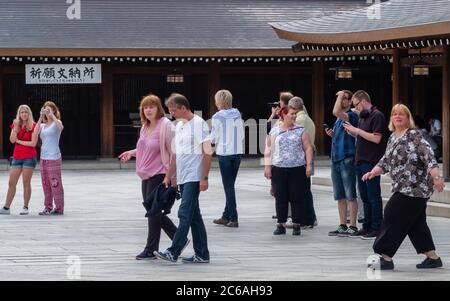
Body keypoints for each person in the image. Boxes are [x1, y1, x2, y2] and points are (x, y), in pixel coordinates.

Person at [363, 104, 444, 270]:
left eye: (401, 114)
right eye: (394, 114)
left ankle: (385, 256)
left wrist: (436, 177)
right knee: (416, 224)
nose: (398, 117)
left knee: (392, 214)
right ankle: (433, 257)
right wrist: (373, 172)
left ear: (408, 118)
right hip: (401, 186)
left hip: (416, 188)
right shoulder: (393, 137)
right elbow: (386, 160)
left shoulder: (414, 135)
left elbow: (429, 156)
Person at [119, 94, 188, 260]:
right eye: (145, 107)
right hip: (146, 174)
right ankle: (179, 238)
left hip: (160, 174)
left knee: (153, 212)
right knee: (153, 211)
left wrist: (170, 176)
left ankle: (150, 249)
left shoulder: (165, 126)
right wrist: (131, 152)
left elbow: (173, 153)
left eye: (152, 106)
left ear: (158, 108)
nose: (148, 110)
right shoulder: (145, 126)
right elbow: (146, 148)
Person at [154, 93, 212, 263]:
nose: (171, 113)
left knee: (184, 213)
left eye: (173, 110)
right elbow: (175, 154)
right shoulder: (179, 125)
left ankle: (174, 250)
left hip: (194, 175)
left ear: (183, 108)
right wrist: (170, 175)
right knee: (194, 216)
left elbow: (207, 152)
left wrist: (204, 177)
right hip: (183, 176)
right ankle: (202, 254)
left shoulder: (199, 124)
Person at [264, 104, 314, 236]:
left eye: (294, 114)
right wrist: (267, 166)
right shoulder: (275, 131)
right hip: (279, 168)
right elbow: (268, 149)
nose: (294, 116)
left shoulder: (300, 130)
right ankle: (280, 224)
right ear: (283, 115)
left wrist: (309, 165)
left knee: (296, 195)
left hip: (297, 168)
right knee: (280, 196)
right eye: (291, 114)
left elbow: (308, 148)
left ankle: (297, 223)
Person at [343, 90, 386, 240]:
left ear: (363, 101)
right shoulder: (363, 117)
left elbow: (376, 139)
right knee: (364, 196)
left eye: (355, 105)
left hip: (371, 162)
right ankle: (366, 226)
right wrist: (353, 132)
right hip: (360, 161)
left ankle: (377, 227)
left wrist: (357, 131)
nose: (355, 108)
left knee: (373, 196)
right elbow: (363, 135)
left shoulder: (377, 115)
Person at [326, 90, 359, 237]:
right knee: (339, 195)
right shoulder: (339, 119)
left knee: (350, 193)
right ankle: (342, 224)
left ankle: (353, 225)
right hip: (336, 158)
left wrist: (339, 94)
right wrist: (333, 134)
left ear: (351, 101)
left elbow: (335, 111)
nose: (342, 100)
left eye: (345, 98)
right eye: (341, 98)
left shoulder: (351, 115)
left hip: (347, 158)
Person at [211, 90, 244, 228]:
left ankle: (234, 217)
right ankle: (226, 215)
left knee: (228, 186)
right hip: (237, 153)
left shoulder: (217, 117)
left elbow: (214, 137)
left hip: (224, 153)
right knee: (230, 185)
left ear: (218, 101)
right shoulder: (238, 114)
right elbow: (241, 134)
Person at [0, 105, 38, 215]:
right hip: (17, 157)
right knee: (11, 183)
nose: (24, 114)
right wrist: (15, 128)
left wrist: (19, 142)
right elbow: (12, 140)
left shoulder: (34, 125)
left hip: (29, 157)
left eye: (26, 112)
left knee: (26, 183)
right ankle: (6, 208)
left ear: (29, 113)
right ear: (19, 114)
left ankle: (25, 207)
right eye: (22, 112)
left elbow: (33, 143)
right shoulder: (16, 124)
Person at [33, 101, 65, 215]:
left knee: (55, 183)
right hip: (43, 157)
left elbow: (61, 128)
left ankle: (59, 208)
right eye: (45, 109)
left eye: (49, 109)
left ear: (54, 110)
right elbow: (35, 132)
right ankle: (47, 207)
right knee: (45, 184)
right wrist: (41, 117)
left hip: (54, 157)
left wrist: (53, 116)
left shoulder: (57, 123)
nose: (47, 111)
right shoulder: (42, 125)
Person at [290, 97, 317, 228]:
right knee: (306, 190)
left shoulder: (300, 120)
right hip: (308, 155)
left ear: (293, 108)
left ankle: (306, 219)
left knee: (302, 190)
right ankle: (310, 218)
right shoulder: (308, 118)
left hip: (302, 157)